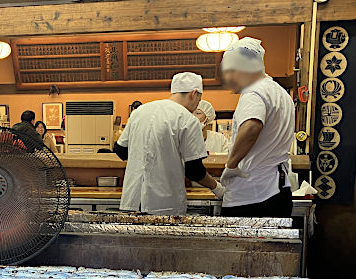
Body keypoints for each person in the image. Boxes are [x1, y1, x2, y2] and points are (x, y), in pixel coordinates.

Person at [114, 72, 225, 215]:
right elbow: (194, 171)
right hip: (163, 206)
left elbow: (120, 150)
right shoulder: (187, 119)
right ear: (194, 93)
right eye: (199, 99)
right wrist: (219, 189)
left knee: (134, 237)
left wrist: (147, 157)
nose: (198, 103)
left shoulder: (139, 112)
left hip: (131, 201)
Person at [219, 37, 294, 218]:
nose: (228, 77)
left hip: (251, 196)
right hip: (279, 190)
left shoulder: (253, 91)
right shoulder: (280, 93)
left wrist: (231, 165)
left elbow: (251, 128)